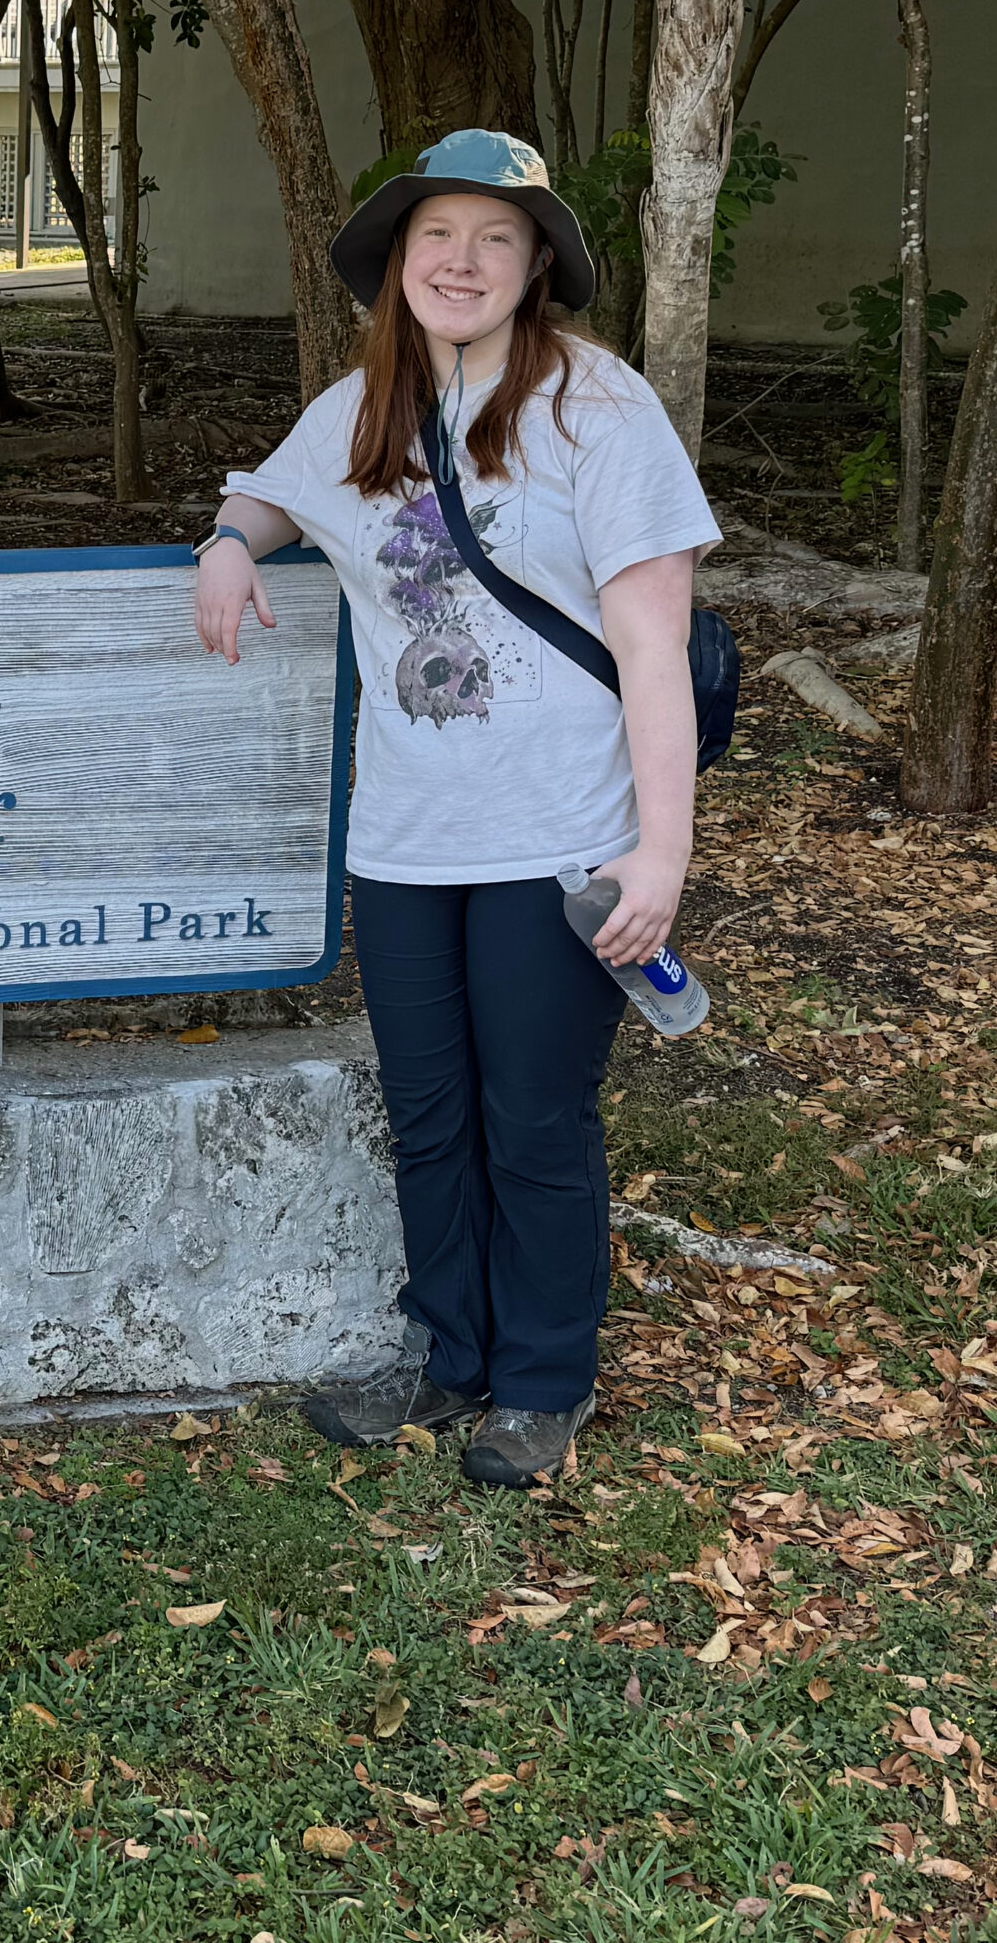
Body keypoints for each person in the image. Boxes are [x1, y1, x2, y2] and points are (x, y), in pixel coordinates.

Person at [188, 130, 719, 1489]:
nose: (463, 261)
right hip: (407, 844)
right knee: (428, 1113)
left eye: (496, 236)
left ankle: (542, 1382)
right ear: (400, 261)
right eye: (439, 236)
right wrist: (231, 545)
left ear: (538, 260)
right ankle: (452, 1359)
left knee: (534, 1116)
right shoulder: (359, 406)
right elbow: (271, 493)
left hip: (562, 839)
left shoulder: (600, 410)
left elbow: (653, 646)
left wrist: (659, 852)